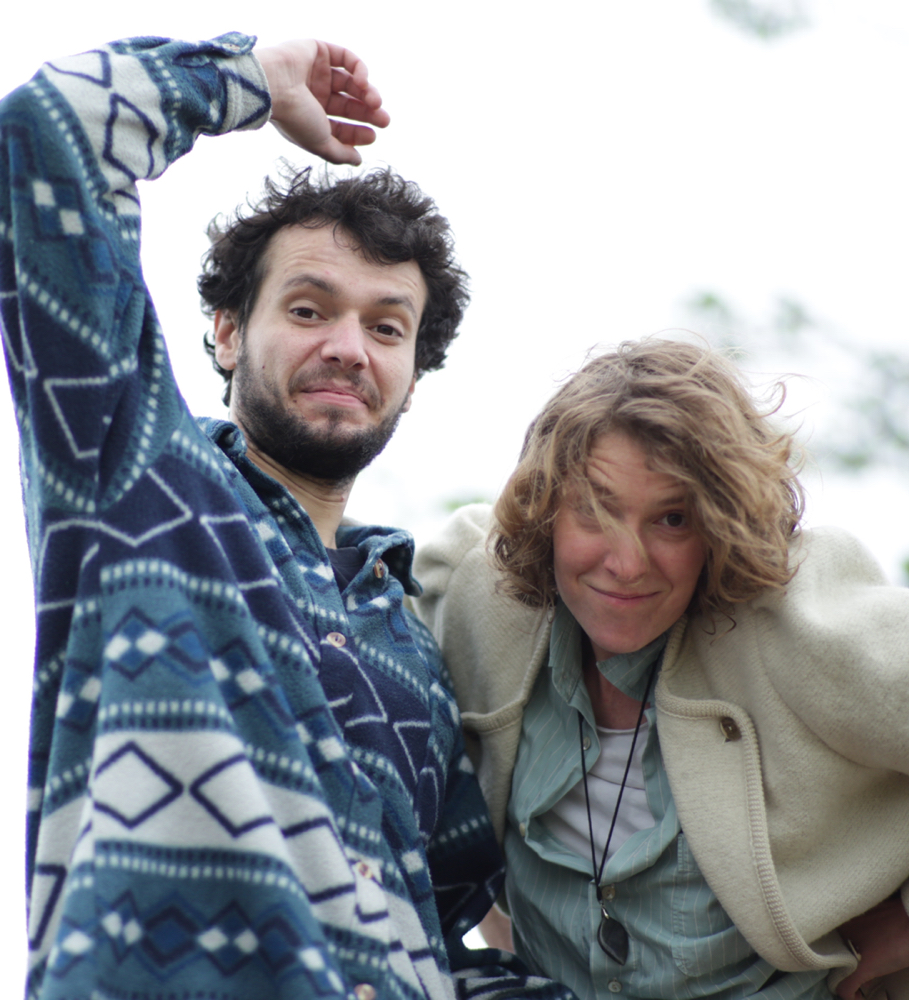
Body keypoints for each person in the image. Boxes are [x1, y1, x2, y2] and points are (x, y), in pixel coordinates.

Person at [0, 33, 575, 1000]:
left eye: (386, 327)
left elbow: (436, 941)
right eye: (309, 310)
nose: (349, 347)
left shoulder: (416, 639)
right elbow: (42, 139)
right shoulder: (135, 475)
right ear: (227, 333)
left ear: (413, 378)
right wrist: (251, 80)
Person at [414, 338, 909, 1000]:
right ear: (546, 509)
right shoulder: (479, 595)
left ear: (721, 525)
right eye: (595, 508)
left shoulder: (803, 627)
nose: (626, 562)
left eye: (671, 519)